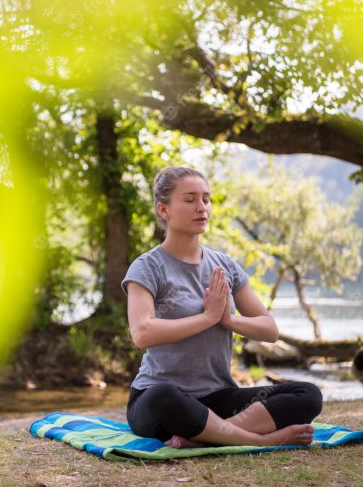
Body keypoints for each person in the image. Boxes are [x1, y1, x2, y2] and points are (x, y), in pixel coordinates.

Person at [121, 166, 323, 448]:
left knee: (308, 393)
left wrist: (227, 320)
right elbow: (142, 333)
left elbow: (269, 330)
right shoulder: (147, 267)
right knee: (162, 395)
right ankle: (256, 440)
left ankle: (205, 438)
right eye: (190, 200)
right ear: (163, 210)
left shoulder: (225, 265)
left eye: (206, 199)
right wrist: (207, 317)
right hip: (161, 401)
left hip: (219, 397)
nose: (201, 207)